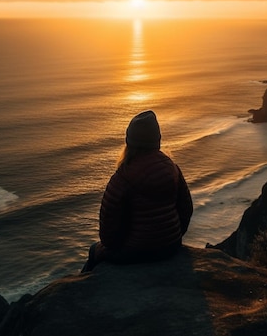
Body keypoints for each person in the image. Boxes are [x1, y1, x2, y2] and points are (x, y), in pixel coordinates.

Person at [81, 110, 193, 272]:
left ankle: (85, 291)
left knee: (94, 250)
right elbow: (186, 209)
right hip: (171, 246)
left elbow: (108, 233)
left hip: (138, 252)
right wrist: (172, 236)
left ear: (129, 142)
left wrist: (119, 247)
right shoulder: (172, 168)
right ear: (157, 140)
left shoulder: (122, 178)